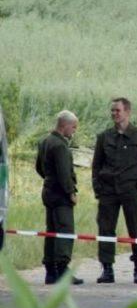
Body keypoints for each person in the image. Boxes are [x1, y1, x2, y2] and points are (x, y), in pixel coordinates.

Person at [92, 97, 137, 284]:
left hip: (130, 189)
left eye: (117, 110)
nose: (114, 114)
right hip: (108, 190)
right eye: (112, 111)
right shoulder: (104, 137)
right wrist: (98, 188)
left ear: (127, 112)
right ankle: (107, 268)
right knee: (105, 229)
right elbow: (96, 165)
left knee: (135, 229)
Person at [36, 110, 82, 285]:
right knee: (65, 230)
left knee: (51, 231)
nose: (74, 131)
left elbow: (39, 167)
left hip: (48, 191)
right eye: (73, 127)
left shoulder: (45, 142)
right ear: (64, 125)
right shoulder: (60, 145)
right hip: (61, 195)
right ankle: (63, 269)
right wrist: (71, 192)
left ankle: (50, 271)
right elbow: (64, 173)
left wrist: (49, 179)